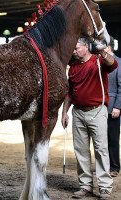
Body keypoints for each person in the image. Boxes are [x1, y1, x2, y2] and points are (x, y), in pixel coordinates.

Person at [61, 38, 118, 199]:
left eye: (77, 48)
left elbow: (113, 64)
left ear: (86, 47)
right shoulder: (72, 67)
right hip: (78, 113)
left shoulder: (99, 61)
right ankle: (85, 186)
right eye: (73, 48)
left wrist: (102, 50)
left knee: (101, 150)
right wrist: (64, 112)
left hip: (97, 110)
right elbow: (70, 93)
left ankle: (105, 187)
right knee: (81, 151)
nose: (74, 51)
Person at [106, 37, 121, 178]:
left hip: (113, 108)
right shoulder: (100, 63)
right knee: (100, 140)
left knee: (113, 139)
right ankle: (104, 166)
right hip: (99, 107)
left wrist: (117, 106)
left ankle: (115, 167)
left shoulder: (119, 63)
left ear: (108, 48)